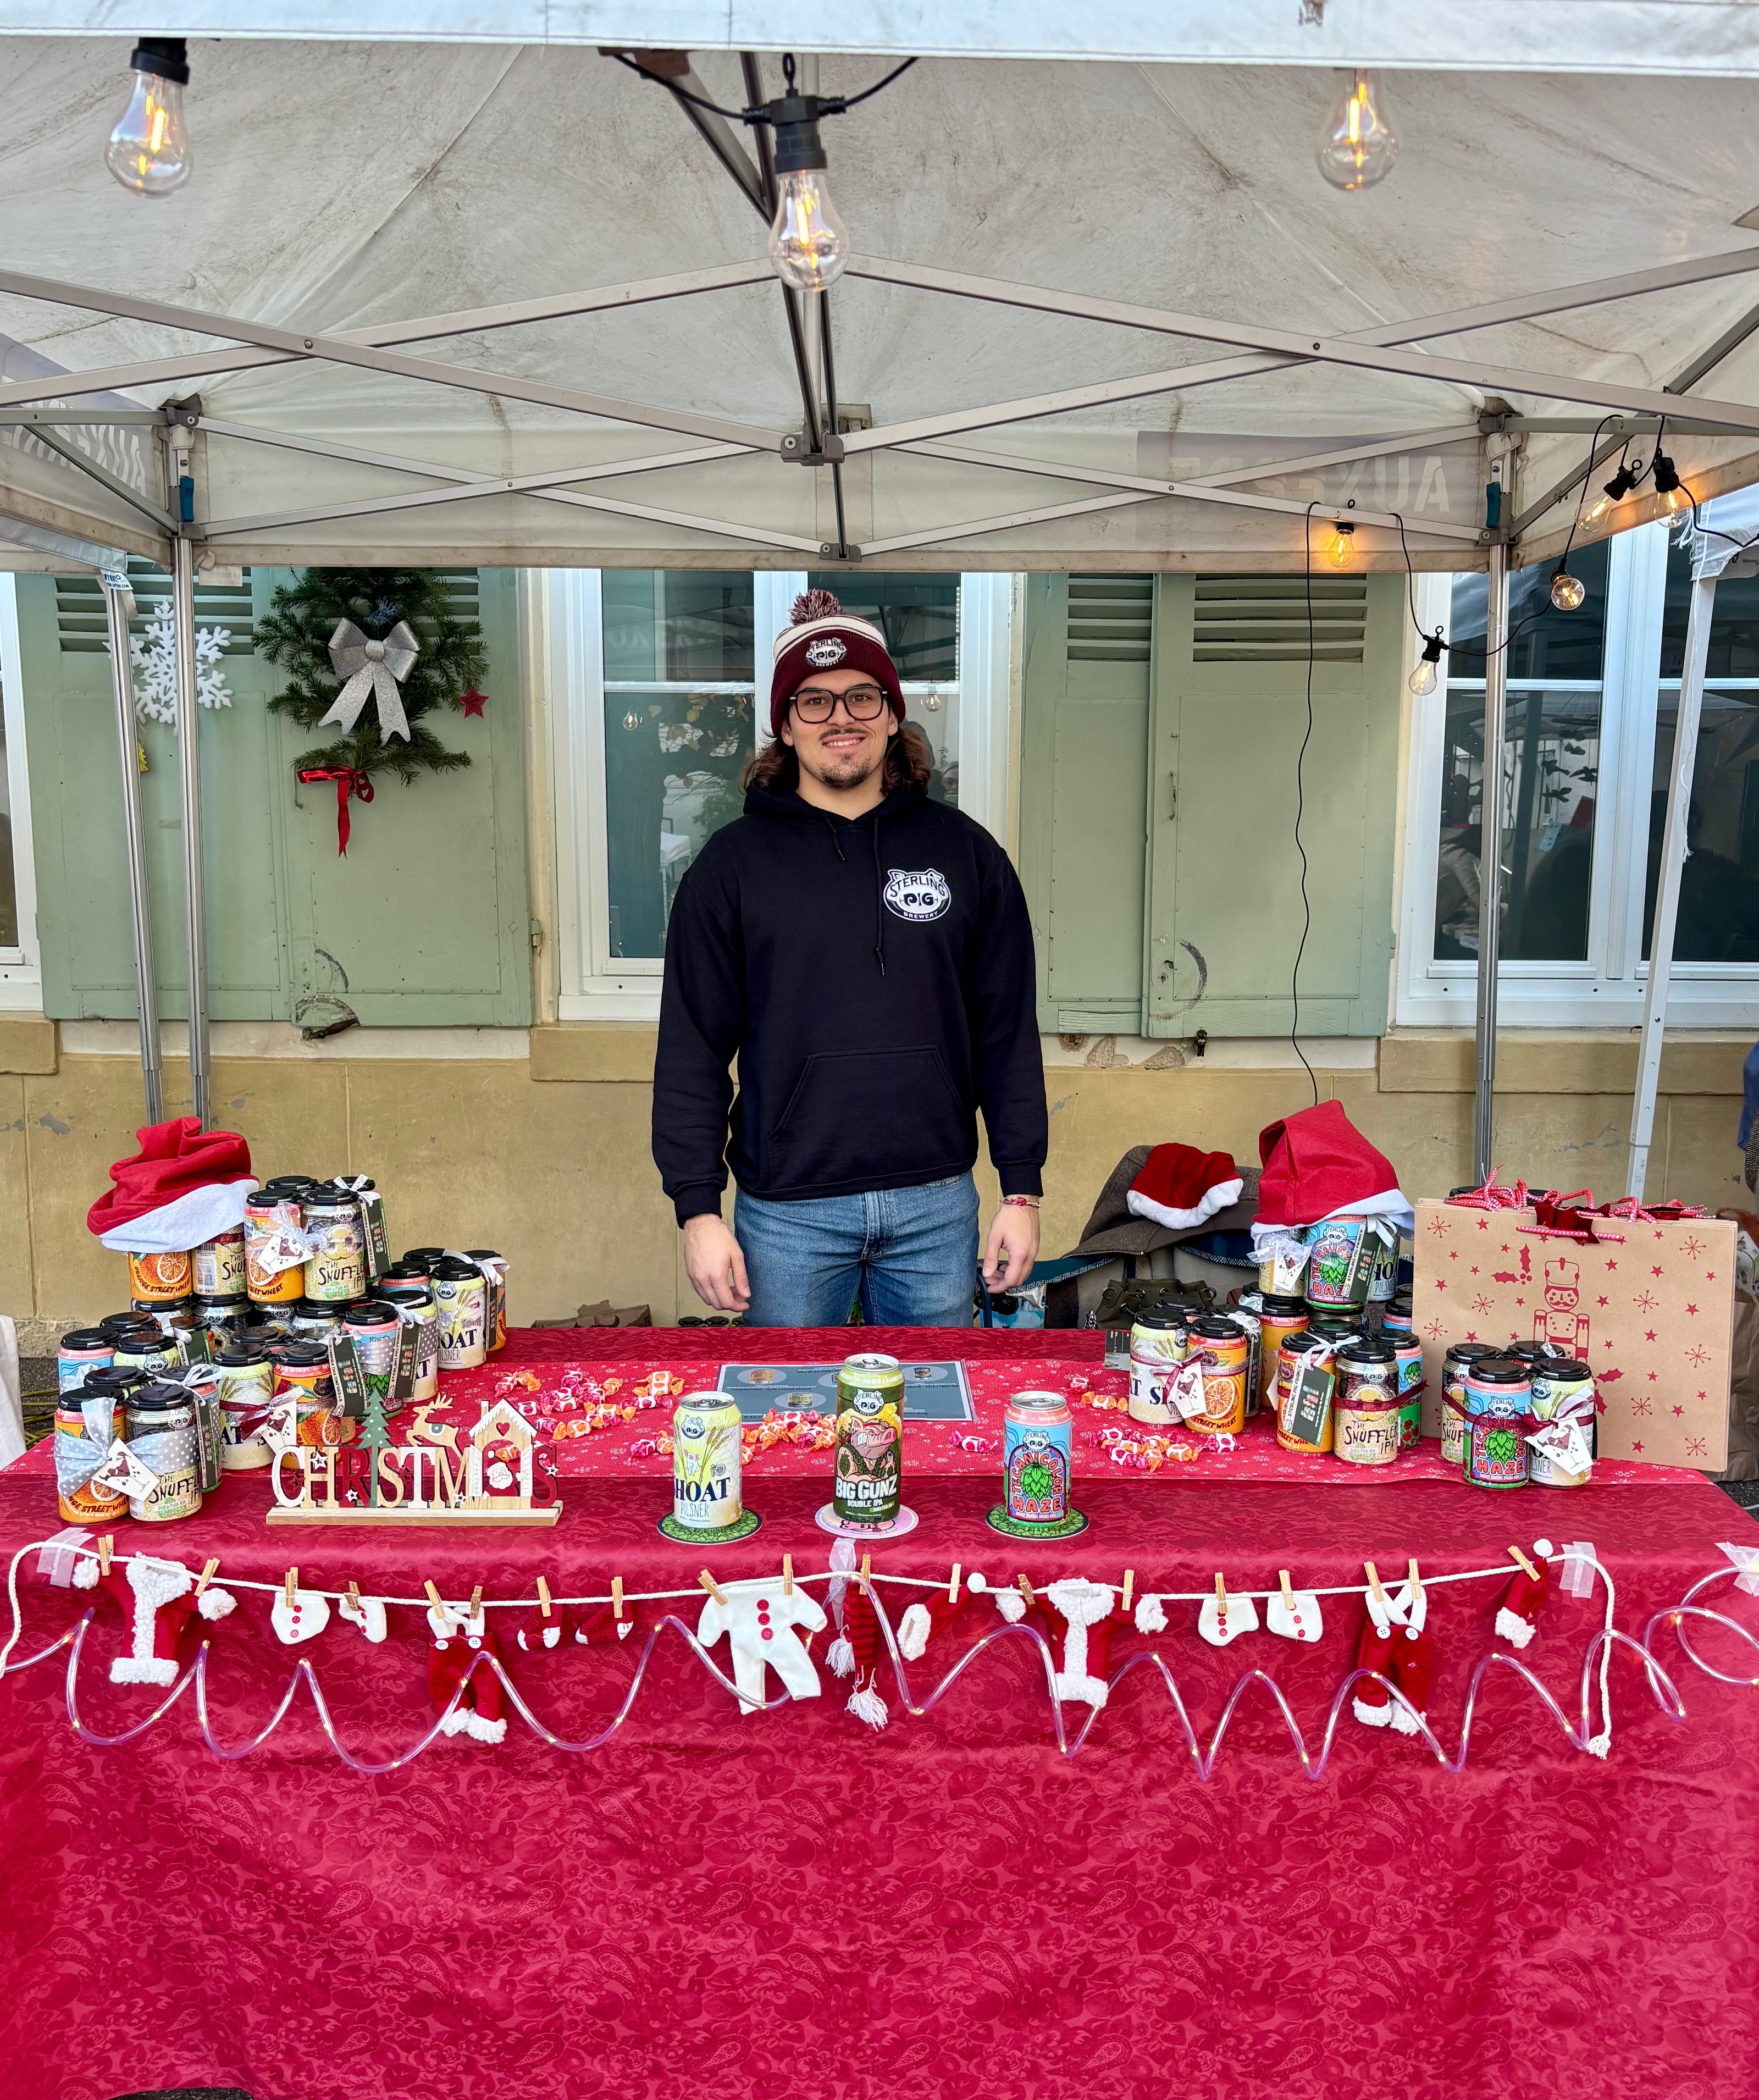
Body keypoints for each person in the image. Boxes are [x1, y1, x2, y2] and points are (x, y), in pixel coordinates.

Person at [653, 588, 1048, 1327]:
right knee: (787, 1402)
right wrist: (697, 1208)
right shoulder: (731, 867)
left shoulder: (966, 854)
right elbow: (692, 1048)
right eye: (815, 701)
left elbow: (1006, 1032)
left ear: (893, 715)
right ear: (785, 725)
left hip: (937, 1205)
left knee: (934, 1400)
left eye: (863, 697)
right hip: (787, 1213)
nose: (841, 718)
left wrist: (1020, 1189)